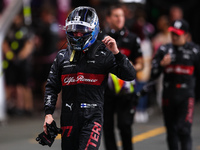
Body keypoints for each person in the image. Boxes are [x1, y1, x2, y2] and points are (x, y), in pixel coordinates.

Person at [40, 6, 136, 150]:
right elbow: (52, 87)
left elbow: (130, 75)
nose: (77, 35)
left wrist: (117, 53)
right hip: (68, 119)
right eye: (73, 31)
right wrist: (48, 114)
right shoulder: (61, 56)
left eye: (81, 31)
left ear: (93, 29)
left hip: (92, 119)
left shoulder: (104, 54)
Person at [149, 19, 200, 150]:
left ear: (186, 35)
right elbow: (153, 74)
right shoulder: (164, 49)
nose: (174, 37)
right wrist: (161, 65)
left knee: (183, 129)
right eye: (173, 33)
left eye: (178, 34)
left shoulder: (195, 51)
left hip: (186, 95)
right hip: (168, 95)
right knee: (171, 132)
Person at [98, 5, 143, 150]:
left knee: (125, 125)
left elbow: (141, 63)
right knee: (107, 127)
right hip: (106, 91)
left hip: (126, 90)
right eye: (116, 16)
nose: (119, 19)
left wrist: (129, 68)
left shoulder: (132, 38)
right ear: (108, 18)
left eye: (122, 16)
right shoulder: (100, 39)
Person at [3, 13, 34, 116]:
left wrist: (20, 57)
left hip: (23, 61)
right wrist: (11, 55)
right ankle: (16, 107)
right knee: (12, 85)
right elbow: (4, 43)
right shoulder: (9, 29)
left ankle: (28, 108)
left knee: (25, 85)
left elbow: (29, 45)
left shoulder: (25, 29)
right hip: (11, 61)